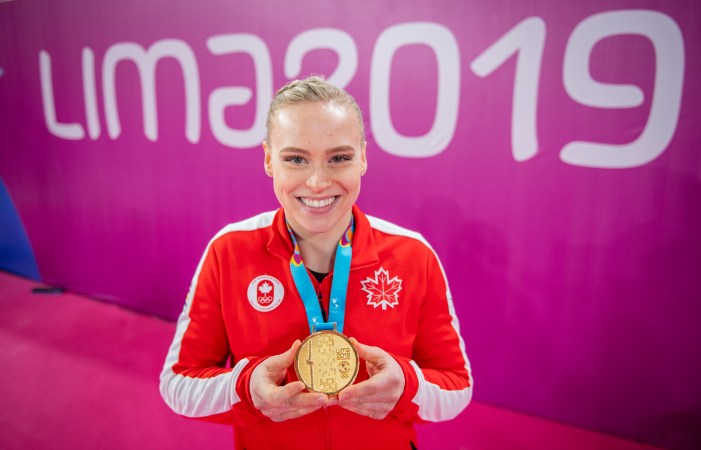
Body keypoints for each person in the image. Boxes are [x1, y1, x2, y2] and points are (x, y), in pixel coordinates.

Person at [160, 76, 473, 449]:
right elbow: (177, 383)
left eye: (338, 158)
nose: (318, 181)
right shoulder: (228, 251)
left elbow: (457, 385)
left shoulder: (414, 255)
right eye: (295, 159)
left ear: (363, 158)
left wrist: (408, 386)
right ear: (268, 160)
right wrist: (243, 389)